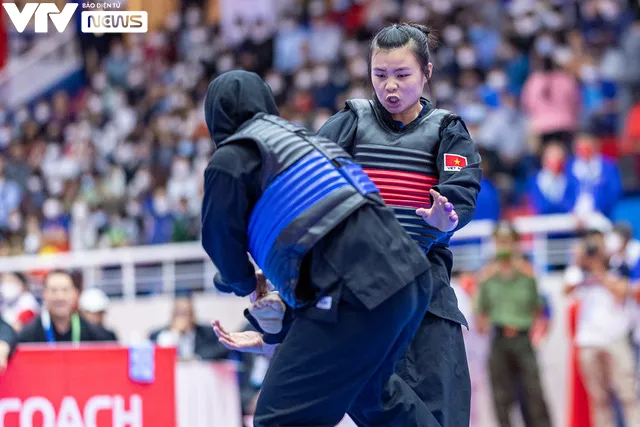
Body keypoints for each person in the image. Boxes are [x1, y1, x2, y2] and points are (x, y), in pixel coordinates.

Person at [236, 22, 482, 427]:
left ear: (427, 73)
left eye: (402, 75)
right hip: (365, 300)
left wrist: (446, 217)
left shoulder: (446, 129)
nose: (390, 87)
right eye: (379, 75)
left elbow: (461, 191)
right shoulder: (349, 123)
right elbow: (306, 192)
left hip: (428, 296)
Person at [475, 222, 552, 427]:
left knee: (533, 395)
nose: (504, 247)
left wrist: (538, 335)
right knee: (501, 398)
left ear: (517, 244)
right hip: (499, 340)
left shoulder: (528, 275)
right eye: (500, 242)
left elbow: (540, 310)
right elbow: (480, 315)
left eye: (508, 242)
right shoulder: (486, 277)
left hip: (523, 340)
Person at [18, 270, 116, 344]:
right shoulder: (28, 335)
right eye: (53, 290)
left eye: (65, 290)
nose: (60, 297)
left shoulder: (94, 333)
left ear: (76, 294)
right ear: (44, 294)